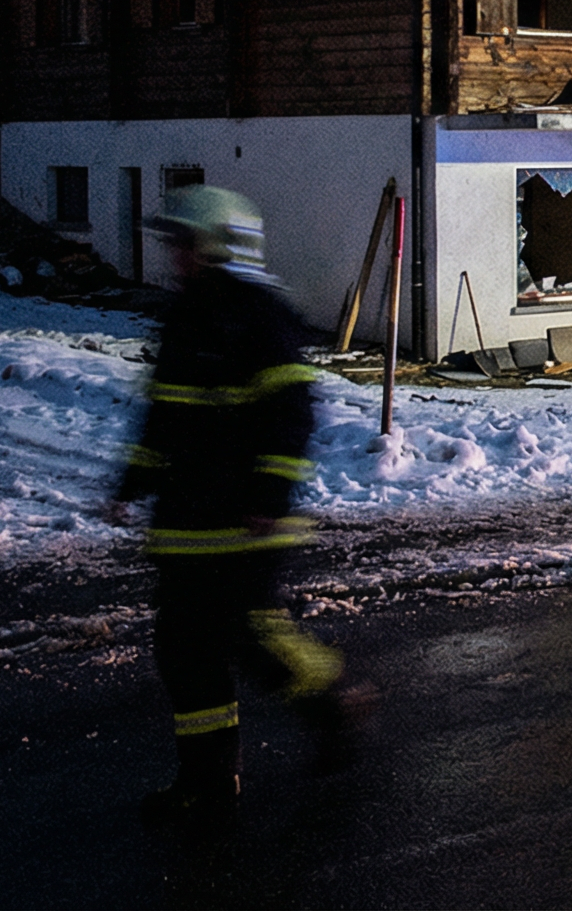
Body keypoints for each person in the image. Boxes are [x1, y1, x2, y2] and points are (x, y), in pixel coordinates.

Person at [112, 186, 358, 826]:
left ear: (219, 245)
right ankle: (210, 779)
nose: (176, 257)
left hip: (244, 520)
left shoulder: (259, 316)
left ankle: (330, 704)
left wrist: (268, 497)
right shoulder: (185, 317)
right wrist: (131, 483)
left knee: (249, 640)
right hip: (188, 519)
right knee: (185, 651)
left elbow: (292, 415)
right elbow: (164, 416)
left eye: (186, 244)